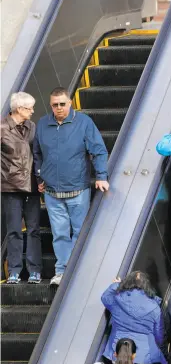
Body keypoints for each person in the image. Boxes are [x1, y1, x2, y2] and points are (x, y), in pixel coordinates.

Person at [33, 87, 109, 286]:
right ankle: (61, 271)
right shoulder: (42, 124)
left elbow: (99, 150)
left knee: (79, 231)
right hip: (51, 192)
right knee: (59, 233)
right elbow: (37, 154)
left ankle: (77, 271)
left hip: (78, 190)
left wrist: (101, 176)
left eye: (62, 104)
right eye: (55, 105)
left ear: (70, 103)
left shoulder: (83, 123)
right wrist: (39, 178)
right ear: (50, 105)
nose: (58, 108)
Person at [1, 92, 42, 284]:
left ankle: (35, 269)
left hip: (32, 185)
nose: (32, 111)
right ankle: (15, 270)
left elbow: (37, 152)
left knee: (34, 229)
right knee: (14, 230)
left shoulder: (32, 126)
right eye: (29, 108)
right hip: (10, 186)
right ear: (19, 109)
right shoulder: (2, 127)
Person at [101, 272, 167, 364]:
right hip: (145, 359)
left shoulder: (117, 300)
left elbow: (105, 297)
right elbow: (159, 336)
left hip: (117, 352)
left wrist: (117, 284)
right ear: (147, 285)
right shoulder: (154, 308)